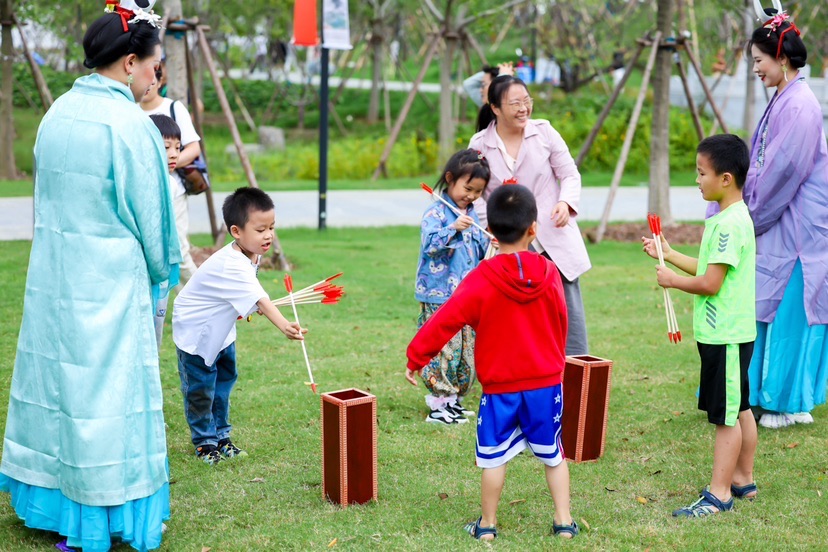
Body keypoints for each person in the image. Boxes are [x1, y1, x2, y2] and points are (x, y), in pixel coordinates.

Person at [0, 2, 181, 551]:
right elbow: (153, 218)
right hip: (111, 284)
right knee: (108, 401)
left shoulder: (57, 112)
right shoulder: (130, 125)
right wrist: (160, 272)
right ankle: (99, 518)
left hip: (57, 280)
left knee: (61, 391)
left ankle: (53, 503)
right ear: (130, 63)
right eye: (154, 65)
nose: (156, 76)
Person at [406, 185, 577, 540]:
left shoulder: (480, 279)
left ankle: (487, 526)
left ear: (492, 233)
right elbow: (563, 320)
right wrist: (556, 363)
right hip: (546, 384)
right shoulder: (549, 273)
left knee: (492, 458)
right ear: (534, 228)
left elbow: (444, 320)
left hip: (501, 389)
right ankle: (564, 523)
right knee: (554, 454)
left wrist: (416, 357)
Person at [707, 10, 828, 429]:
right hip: (782, 223)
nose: (756, 69)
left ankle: (785, 402)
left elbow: (782, 173)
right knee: (767, 308)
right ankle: (764, 396)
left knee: (788, 312)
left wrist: (743, 215)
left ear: (782, 58)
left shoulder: (800, 106)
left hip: (797, 230)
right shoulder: (786, 97)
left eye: (760, 60)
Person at [644, 134, 758, 516]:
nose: (696, 179)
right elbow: (709, 268)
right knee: (740, 407)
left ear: (725, 178)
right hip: (732, 333)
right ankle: (743, 479)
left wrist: (671, 280)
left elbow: (711, 283)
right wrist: (671, 254)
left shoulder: (727, 225)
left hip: (724, 335)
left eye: (701, 172)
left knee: (727, 416)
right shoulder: (730, 217)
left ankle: (720, 493)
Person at [172, 187, 304, 465]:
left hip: (222, 333)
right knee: (201, 390)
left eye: (271, 227)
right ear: (236, 231)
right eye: (260, 230)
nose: (268, 235)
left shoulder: (251, 253)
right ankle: (205, 443)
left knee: (223, 384)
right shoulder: (231, 263)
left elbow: (249, 293)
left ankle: (222, 436)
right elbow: (260, 298)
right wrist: (284, 325)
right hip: (197, 334)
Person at [470, 75, 591, 355]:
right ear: (495, 108)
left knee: (567, 309)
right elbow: (477, 193)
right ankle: (525, 372)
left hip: (551, 233)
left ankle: (574, 374)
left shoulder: (545, 132)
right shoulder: (479, 144)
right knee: (516, 312)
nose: (524, 108)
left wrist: (565, 203)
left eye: (527, 101)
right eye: (515, 103)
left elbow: (569, 174)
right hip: (508, 241)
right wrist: (489, 227)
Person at [414, 149, 491, 425]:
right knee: (443, 347)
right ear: (450, 179)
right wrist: (453, 228)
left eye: (478, 192)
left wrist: (489, 242)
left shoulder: (472, 214)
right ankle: (439, 403)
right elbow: (430, 246)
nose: (470, 196)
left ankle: (453, 399)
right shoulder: (436, 211)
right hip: (438, 294)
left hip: (466, 295)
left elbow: (478, 252)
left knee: (465, 349)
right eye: (467, 188)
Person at [140, 68, 201, 284]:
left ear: (159, 81)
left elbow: (193, 148)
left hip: (173, 190)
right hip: (142, 194)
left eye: (151, 80)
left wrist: (166, 163)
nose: (146, 86)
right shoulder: (129, 110)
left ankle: (199, 297)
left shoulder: (173, 107)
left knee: (179, 250)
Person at [149, 113, 182, 350]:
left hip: (164, 265)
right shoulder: (145, 182)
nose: (173, 154)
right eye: (166, 147)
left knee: (156, 328)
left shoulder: (172, 183)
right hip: (148, 265)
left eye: (177, 148)